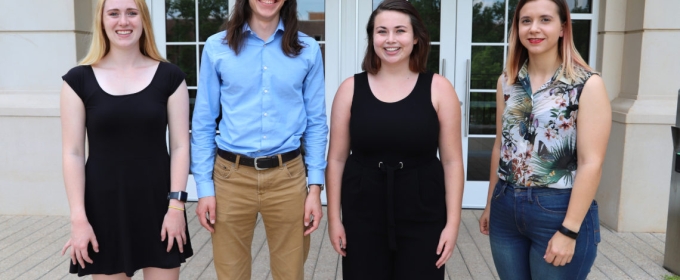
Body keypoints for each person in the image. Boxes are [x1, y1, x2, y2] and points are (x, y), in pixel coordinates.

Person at [326, 0, 465, 279]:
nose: (390, 39)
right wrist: (334, 219)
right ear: (372, 38)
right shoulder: (350, 89)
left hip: (423, 210)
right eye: (381, 31)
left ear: (415, 38)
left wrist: (452, 224)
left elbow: (451, 162)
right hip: (363, 209)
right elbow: (337, 159)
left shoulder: (439, 88)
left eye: (400, 31)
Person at [190, 0, 327, 279]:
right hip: (230, 177)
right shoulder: (217, 47)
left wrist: (315, 187)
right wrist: (204, 187)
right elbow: (203, 122)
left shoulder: (307, 49)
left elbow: (316, 122)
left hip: (287, 178)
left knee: (290, 273)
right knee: (231, 273)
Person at [477, 0, 611, 279]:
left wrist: (569, 230)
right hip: (505, 206)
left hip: (558, 209)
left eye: (545, 20)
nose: (534, 28)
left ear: (563, 28)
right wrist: (491, 202)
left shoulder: (587, 84)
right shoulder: (507, 82)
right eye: (526, 21)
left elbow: (591, 163)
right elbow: (501, 145)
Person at [59, 0, 193, 278]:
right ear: (101, 21)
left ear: (143, 20)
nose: (124, 22)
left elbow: (180, 146)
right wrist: (78, 219)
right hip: (103, 209)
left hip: (159, 207)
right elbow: (72, 153)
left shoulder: (170, 76)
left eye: (132, 13)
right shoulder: (78, 80)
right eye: (114, 13)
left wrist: (176, 207)